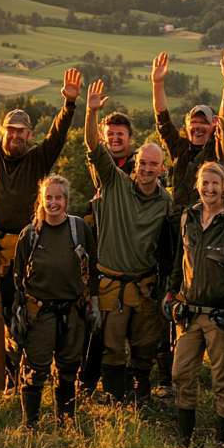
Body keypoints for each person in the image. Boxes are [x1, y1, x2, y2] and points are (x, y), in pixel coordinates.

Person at [0, 54, 81, 362]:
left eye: (21, 130)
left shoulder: (38, 159)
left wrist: (69, 106)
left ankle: (28, 361)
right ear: (2, 130)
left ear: (29, 135)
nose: (15, 134)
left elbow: (58, 136)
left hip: (29, 245)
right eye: (11, 129)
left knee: (24, 307)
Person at [84, 80, 174, 406]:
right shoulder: (113, 182)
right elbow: (94, 146)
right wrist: (91, 112)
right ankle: (114, 397)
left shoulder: (166, 203)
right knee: (111, 344)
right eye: (143, 163)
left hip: (145, 286)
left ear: (162, 168)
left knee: (144, 344)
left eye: (154, 164)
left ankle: (142, 395)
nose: (147, 168)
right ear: (135, 163)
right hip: (110, 285)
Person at [164, 162, 224, 447]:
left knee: (223, 379)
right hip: (190, 313)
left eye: (214, 184)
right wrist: (170, 294)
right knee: (181, 373)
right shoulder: (188, 217)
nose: (209, 189)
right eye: (204, 183)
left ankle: (223, 441)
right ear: (197, 185)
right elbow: (179, 260)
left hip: (222, 316)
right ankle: (185, 438)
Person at [151, 50, 224, 393]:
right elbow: (161, 118)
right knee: (170, 293)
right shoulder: (179, 149)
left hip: (209, 231)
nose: (197, 127)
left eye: (204, 122)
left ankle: (217, 367)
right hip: (174, 230)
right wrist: (157, 84)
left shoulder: (220, 151)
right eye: (193, 123)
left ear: (213, 126)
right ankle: (169, 367)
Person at [12, 175, 99, 427]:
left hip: (72, 311)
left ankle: (66, 422)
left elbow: (92, 268)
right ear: (41, 200)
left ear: (66, 200)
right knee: (35, 371)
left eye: (58, 197)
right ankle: (32, 425)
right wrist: (18, 315)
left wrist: (94, 306)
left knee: (69, 369)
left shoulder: (79, 228)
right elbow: (18, 278)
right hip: (39, 313)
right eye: (48, 197)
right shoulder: (29, 235)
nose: (53, 202)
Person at [79, 110, 139, 396]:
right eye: (110, 133)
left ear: (130, 138)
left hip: (131, 256)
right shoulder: (100, 163)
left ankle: (129, 385)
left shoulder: (139, 167)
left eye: (121, 134)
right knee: (100, 323)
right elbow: (90, 144)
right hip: (102, 251)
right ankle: (90, 381)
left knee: (128, 328)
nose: (115, 138)